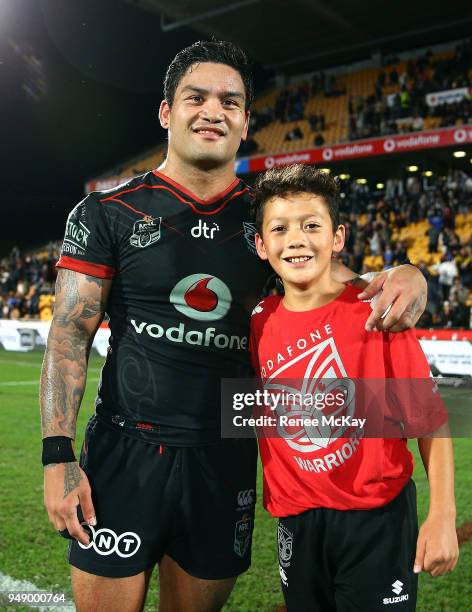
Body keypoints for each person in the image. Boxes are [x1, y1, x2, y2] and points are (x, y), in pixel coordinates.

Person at [40, 41, 428, 612]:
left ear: (246, 122)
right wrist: (57, 456)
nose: (212, 111)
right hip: (124, 452)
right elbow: (70, 333)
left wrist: (406, 272)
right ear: (167, 112)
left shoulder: (265, 220)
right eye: (196, 97)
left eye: (230, 101)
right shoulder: (108, 211)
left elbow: (339, 279)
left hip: (224, 458)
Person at [249, 164, 458, 611]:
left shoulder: (378, 312)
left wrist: (442, 514)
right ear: (262, 245)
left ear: (337, 237)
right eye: (281, 228)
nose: (297, 239)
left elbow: (429, 419)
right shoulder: (260, 321)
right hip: (296, 522)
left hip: (375, 519)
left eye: (312, 225)